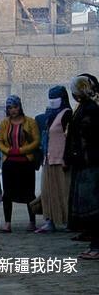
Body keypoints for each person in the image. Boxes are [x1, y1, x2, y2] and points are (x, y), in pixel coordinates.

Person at [65, 74, 99, 260]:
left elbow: (88, 136)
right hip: (83, 163)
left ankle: (96, 246)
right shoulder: (83, 108)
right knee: (88, 206)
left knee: (94, 206)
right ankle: (93, 244)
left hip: (91, 163)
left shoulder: (91, 109)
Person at [0, 95, 40, 233]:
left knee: (29, 193)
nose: (13, 110)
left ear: (20, 107)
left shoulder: (30, 122)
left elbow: (36, 141)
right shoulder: (4, 123)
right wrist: (8, 151)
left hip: (26, 163)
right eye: (10, 108)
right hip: (9, 163)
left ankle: (32, 222)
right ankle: (7, 223)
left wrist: (21, 150)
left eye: (15, 107)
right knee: (7, 193)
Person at [35, 86, 72, 234]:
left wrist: (66, 158)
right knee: (48, 192)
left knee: (63, 192)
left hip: (61, 159)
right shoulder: (49, 114)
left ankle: (68, 220)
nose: (52, 101)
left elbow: (69, 138)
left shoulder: (67, 114)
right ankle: (50, 220)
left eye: (55, 98)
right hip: (48, 159)